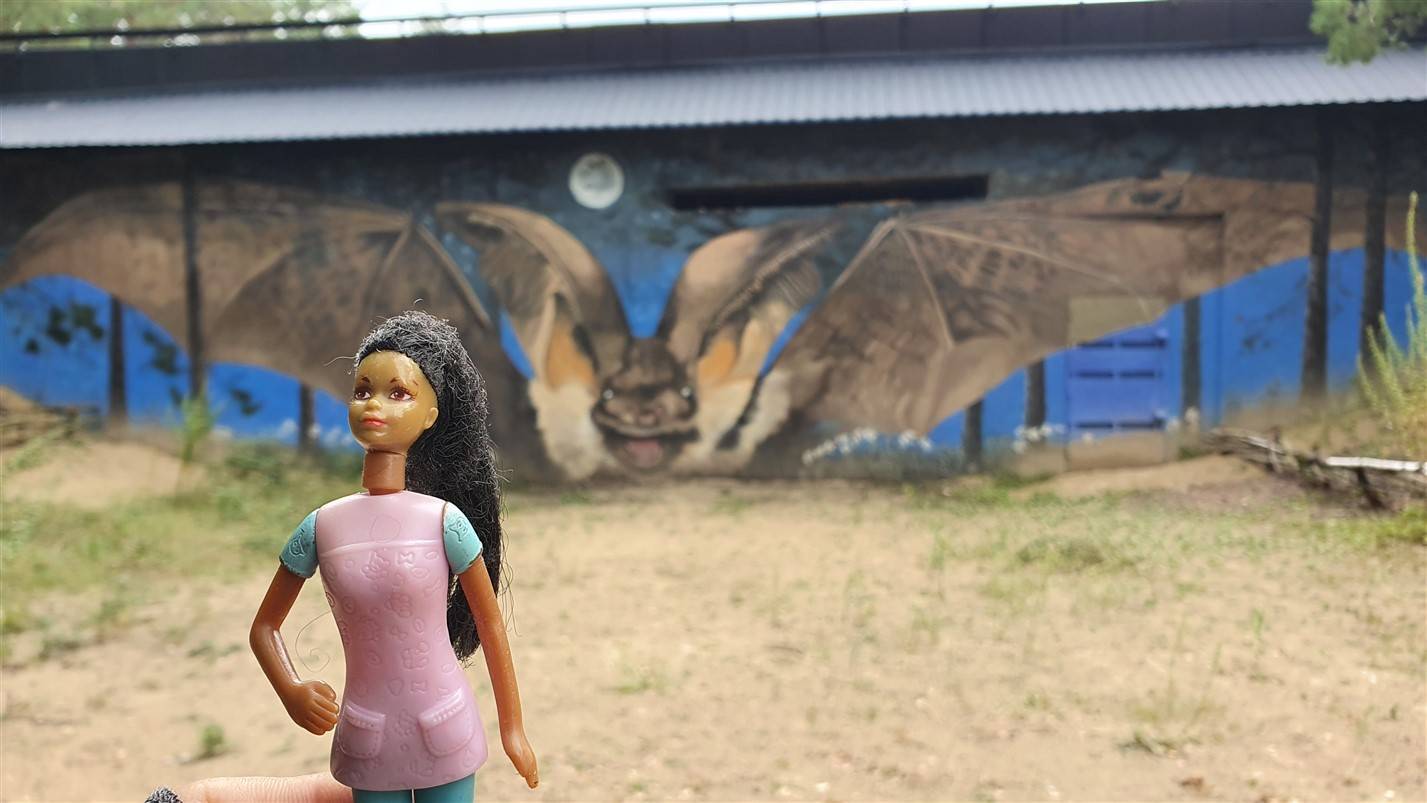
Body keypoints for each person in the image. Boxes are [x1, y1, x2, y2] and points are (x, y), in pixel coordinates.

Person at [248, 311, 538, 803]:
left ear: (431, 414)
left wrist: (513, 730)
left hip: (446, 725)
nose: (374, 404)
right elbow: (264, 627)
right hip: (366, 736)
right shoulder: (322, 526)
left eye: (398, 393)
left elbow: (490, 626)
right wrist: (291, 689)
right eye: (363, 390)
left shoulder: (444, 522)